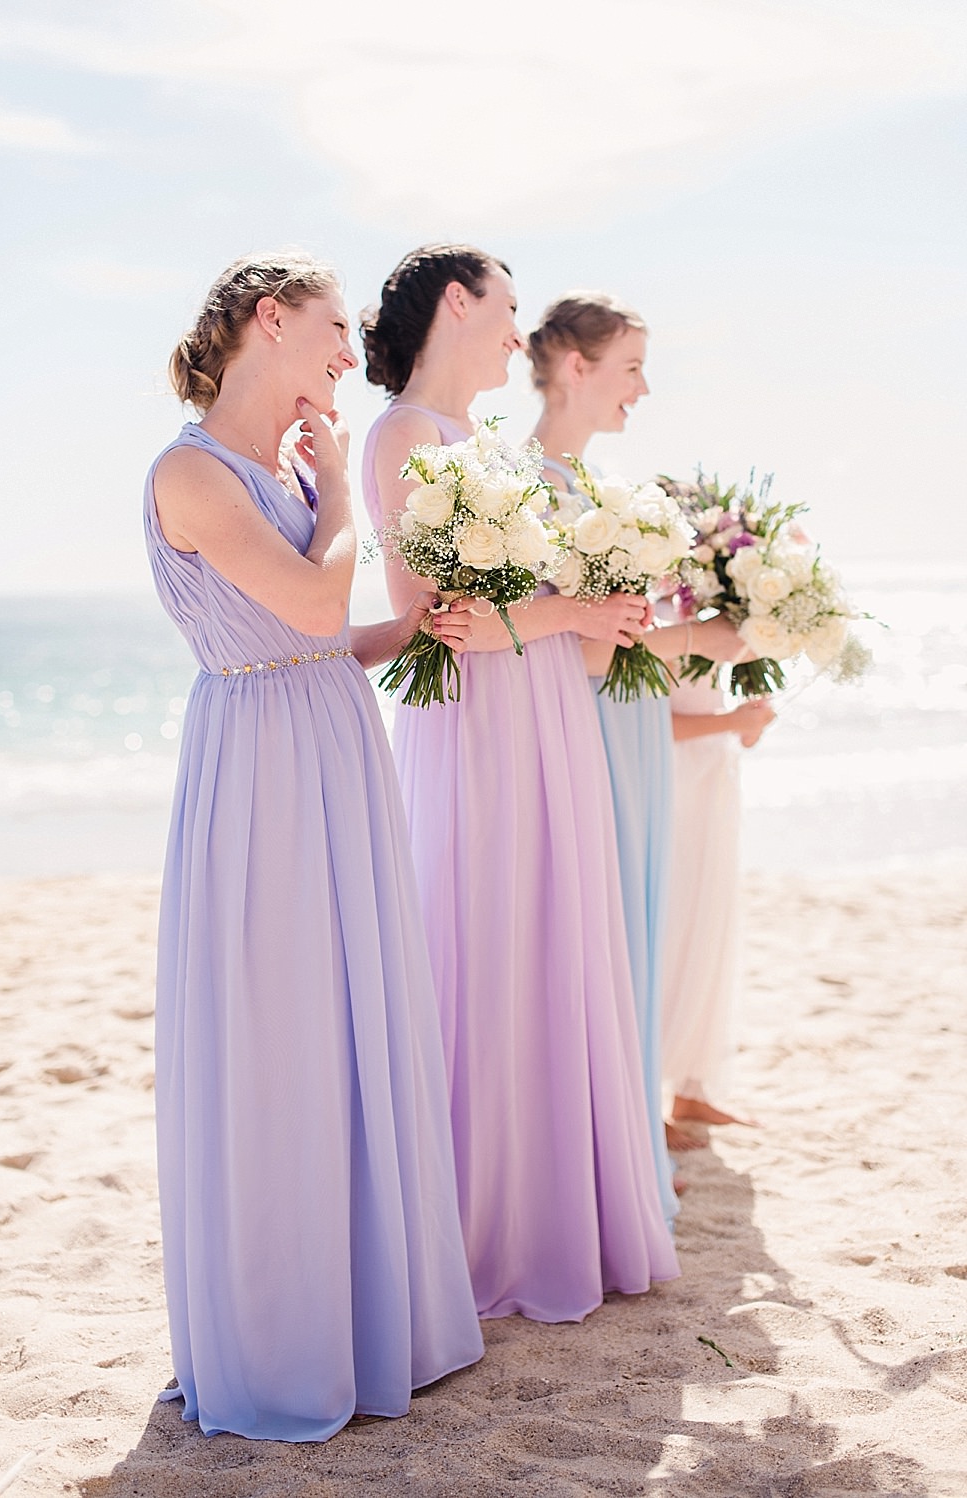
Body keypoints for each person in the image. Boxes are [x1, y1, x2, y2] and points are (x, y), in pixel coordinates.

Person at [144, 252, 483, 1443]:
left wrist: (404, 626)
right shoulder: (191, 471)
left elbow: (327, 635)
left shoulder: (272, 468)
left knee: (351, 1013)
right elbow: (298, 607)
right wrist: (342, 489)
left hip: (334, 742)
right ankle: (280, 1329)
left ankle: (366, 1307)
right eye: (336, 329)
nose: (349, 354)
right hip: (260, 771)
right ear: (269, 321)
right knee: (280, 1023)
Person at [361, 244, 678, 1324]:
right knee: (488, 945)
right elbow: (432, 625)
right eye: (502, 308)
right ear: (457, 303)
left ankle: (560, 1210)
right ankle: (488, 1222)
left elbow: (519, 618)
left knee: (554, 945)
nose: (514, 330)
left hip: (550, 719)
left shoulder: (482, 444)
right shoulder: (404, 436)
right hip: (477, 732)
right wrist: (576, 612)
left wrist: (606, 616)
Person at [527, 292, 750, 1207]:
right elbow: (569, 649)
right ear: (575, 367)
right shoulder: (531, 489)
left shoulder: (595, 489)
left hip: (632, 726)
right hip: (594, 733)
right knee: (603, 941)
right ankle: (601, 1158)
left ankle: (625, 1146)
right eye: (630, 367)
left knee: (634, 937)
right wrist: (693, 640)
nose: (645, 388)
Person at [663, 678, 775, 1130]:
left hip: (714, 781)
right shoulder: (648, 614)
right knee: (669, 930)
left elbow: (730, 718)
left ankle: (693, 1091)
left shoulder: (716, 614)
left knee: (710, 925)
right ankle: (642, 1099)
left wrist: (750, 722)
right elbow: (644, 722)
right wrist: (730, 721)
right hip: (668, 781)